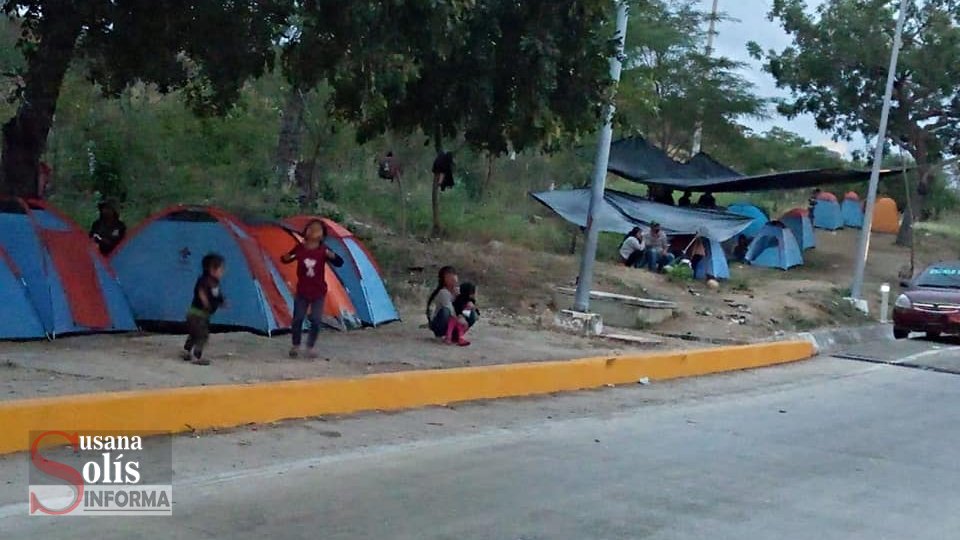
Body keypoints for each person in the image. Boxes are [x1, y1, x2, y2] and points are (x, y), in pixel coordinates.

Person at [281, 219, 345, 359]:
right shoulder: (300, 248)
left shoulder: (323, 250)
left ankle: (310, 346)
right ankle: (296, 345)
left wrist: (332, 256)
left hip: (318, 291)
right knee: (297, 319)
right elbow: (286, 259)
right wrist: (286, 257)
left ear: (322, 235)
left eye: (317, 230)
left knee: (316, 320)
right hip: (302, 290)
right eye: (311, 228)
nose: (313, 231)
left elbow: (339, 262)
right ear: (306, 232)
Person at [182, 253, 226, 366]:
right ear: (212, 269)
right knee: (202, 335)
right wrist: (206, 301)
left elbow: (216, 295)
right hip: (196, 314)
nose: (222, 272)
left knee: (195, 333)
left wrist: (222, 302)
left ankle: (187, 350)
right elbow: (201, 291)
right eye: (221, 269)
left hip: (203, 315)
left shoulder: (215, 283)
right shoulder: (204, 281)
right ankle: (196, 355)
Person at [427, 266, 464, 339]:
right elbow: (450, 310)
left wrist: (461, 298)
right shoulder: (443, 292)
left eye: (454, 276)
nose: (453, 279)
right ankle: (441, 333)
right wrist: (460, 317)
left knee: (471, 313)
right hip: (440, 322)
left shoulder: (459, 291)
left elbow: (464, 305)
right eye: (450, 278)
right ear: (445, 279)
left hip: (454, 321)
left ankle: (456, 333)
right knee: (446, 311)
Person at [445, 282, 478, 347]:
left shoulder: (470, 300)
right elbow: (456, 308)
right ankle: (449, 337)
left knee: (460, 327)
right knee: (451, 325)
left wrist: (471, 309)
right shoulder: (459, 299)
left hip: (461, 318)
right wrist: (460, 316)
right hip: (454, 318)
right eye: (472, 292)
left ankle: (460, 338)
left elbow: (468, 311)